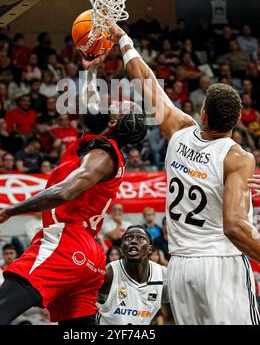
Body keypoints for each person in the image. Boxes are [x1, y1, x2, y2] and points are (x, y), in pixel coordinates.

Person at [102, 22, 260, 325]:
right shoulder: (237, 158)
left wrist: (123, 40)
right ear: (237, 121)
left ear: (203, 112)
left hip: (180, 268)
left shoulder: (179, 130)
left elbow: (145, 81)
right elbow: (235, 228)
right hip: (220, 264)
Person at [0, 72, 147, 325]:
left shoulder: (101, 155)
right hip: (89, 254)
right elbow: (91, 106)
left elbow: (66, 191)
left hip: (66, 243)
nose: (110, 102)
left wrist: (11, 210)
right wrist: (91, 67)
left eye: (116, 105)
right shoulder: (100, 144)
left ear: (112, 120)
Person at [97, 225, 169, 325]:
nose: (133, 241)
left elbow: (176, 306)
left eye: (141, 238)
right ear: (122, 249)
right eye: (128, 238)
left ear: (149, 249)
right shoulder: (109, 272)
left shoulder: (161, 274)